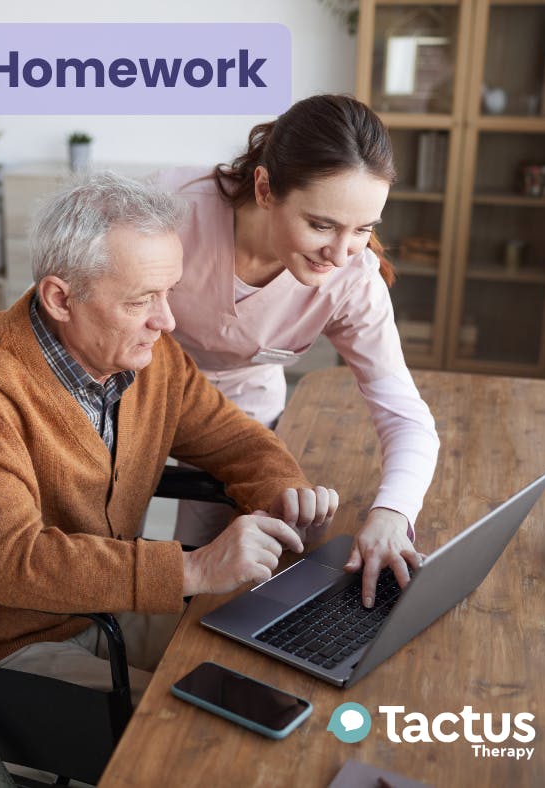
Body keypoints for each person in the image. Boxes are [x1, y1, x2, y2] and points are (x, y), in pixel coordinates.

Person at [0, 172, 338, 701]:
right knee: (195, 720)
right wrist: (194, 568)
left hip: (102, 608)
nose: (166, 321)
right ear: (60, 298)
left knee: (276, 656)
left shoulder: (150, 359)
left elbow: (232, 439)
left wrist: (285, 489)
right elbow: (19, 564)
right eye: (141, 300)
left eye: (169, 292)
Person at [153, 94, 440, 609]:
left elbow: (405, 416)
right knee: (107, 541)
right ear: (265, 188)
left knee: (215, 579)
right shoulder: (170, 211)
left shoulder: (351, 281)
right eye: (322, 224)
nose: (340, 253)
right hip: (135, 395)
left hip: (240, 417)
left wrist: (393, 514)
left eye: (364, 228)